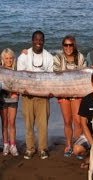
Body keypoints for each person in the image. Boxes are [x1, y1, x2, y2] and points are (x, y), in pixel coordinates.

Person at [17, 30, 54, 160]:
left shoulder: (49, 57)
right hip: (27, 97)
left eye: (41, 40)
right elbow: (19, 77)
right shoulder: (23, 56)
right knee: (28, 124)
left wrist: (50, 92)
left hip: (43, 97)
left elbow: (51, 77)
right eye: (36, 39)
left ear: (44, 41)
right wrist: (23, 89)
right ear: (32, 40)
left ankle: (43, 148)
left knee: (43, 124)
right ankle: (30, 148)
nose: (38, 42)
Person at [53, 35, 87, 157]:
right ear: (63, 46)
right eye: (66, 45)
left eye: (70, 45)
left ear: (74, 45)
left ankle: (78, 145)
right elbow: (56, 74)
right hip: (63, 92)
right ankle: (68, 144)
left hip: (77, 93)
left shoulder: (80, 57)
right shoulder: (58, 57)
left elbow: (84, 75)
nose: (68, 47)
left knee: (78, 121)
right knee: (67, 121)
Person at [0, 48, 19, 156]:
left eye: (11, 58)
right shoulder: (1, 69)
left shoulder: (16, 70)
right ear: (3, 59)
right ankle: (6, 144)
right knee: (5, 123)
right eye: (6, 58)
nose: (9, 60)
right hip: (2, 99)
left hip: (13, 99)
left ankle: (13, 145)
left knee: (12, 123)